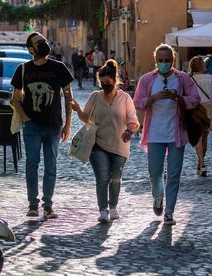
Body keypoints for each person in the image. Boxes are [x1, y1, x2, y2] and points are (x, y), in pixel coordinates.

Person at [133, 44, 200, 225]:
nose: (164, 63)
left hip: (176, 133)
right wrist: (152, 99)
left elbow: (195, 99)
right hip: (154, 133)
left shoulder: (182, 78)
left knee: (174, 174)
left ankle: (169, 212)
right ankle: (158, 197)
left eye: (167, 60)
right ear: (155, 61)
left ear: (173, 60)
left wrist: (179, 98)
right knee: (154, 173)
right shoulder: (147, 80)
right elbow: (137, 102)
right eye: (160, 61)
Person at [11, 32, 74, 218]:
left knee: (51, 166)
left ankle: (48, 205)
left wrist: (68, 124)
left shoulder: (59, 68)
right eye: (39, 43)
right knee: (32, 163)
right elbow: (16, 99)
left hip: (54, 125)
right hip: (32, 126)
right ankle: (32, 204)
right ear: (31, 49)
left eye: (44, 41)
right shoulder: (23, 70)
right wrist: (25, 118)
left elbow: (69, 97)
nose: (44, 44)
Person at [71, 59, 139, 223]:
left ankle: (113, 207)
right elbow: (86, 119)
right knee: (102, 178)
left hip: (119, 146)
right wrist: (78, 109)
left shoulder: (125, 99)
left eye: (108, 82)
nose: (105, 86)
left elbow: (133, 120)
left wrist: (129, 131)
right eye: (102, 83)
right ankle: (103, 210)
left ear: (115, 80)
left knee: (115, 178)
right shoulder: (95, 97)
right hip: (98, 145)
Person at [188, 56, 212, 176]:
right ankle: (201, 163)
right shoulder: (209, 78)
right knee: (204, 137)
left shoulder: (190, 79)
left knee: (198, 137)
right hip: (208, 108)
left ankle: (201, 163)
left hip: (196, 108)